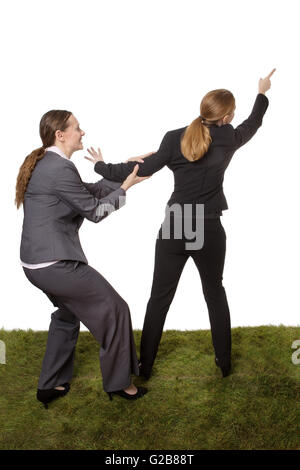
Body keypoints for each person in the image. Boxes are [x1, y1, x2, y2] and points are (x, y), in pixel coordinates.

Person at [85, 69, 276, 380]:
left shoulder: (175, 138)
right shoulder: (228, 138)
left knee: (159, 296)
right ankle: (224, 364)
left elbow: (139, 168)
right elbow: (253, 124)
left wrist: (100, 166)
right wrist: (262, 92)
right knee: (215, 293)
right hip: (208, 225)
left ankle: (144, 366)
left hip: (176, 223)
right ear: (226, 117)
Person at [15, 110, 151, 408]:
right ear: (60, 135)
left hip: (35, 264)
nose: (83, 132)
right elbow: (96, 211)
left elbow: (87, 192)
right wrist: (125, 188)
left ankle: (50, 385)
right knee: (115, 309)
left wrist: (126, 170)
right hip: (56, 265)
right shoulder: (59, 169)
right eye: (77, 128)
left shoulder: (48, 163)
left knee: (67, 314)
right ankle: (120, 385)